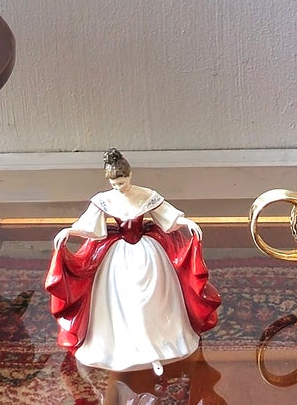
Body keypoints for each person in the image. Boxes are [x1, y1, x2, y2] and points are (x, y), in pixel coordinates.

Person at [44, 149, 220, 373]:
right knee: (120, 296)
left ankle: (158, 344)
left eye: (123, 181)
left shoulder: (145, 194)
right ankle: (124, 347)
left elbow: (166, 215)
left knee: (155, 295)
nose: (120, 187)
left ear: (130, 175)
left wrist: (186, 223)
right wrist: (70, 231)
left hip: (148, 251)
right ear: (109, 181)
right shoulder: (104, 200)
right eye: (115, 183)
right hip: (117, 255)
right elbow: (89, 225)